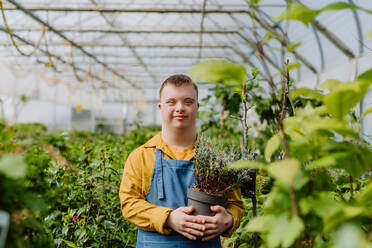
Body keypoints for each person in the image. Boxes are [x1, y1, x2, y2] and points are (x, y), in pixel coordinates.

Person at [119, 74, 244, 247]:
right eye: (171, 102)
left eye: (188, 101)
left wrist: (228, 220)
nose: (180, 108)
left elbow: (235, 204)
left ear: (197, 106)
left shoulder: (218, 160)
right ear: (161, 107)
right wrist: (168, 218)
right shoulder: (141, 157)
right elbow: (129, 204)